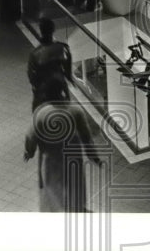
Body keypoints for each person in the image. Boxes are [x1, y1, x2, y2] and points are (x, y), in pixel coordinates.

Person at [24, 73, 101, 212]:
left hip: (51, 160)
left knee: (54, 190)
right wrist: (93, 156)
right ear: (63, 90)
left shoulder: (41, 113)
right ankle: (76, 210)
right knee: (75, 187)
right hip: (73, 158)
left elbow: (30, 137)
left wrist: (29, 151)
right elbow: (86, 137)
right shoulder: (75, 110)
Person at [27, 18, 74, 110]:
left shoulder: (35, 53)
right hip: (59, 86)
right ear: (53, 30)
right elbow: (68, 71)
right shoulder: (63, 48)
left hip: (42, 90)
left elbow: (31, 76)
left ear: (41, 31)